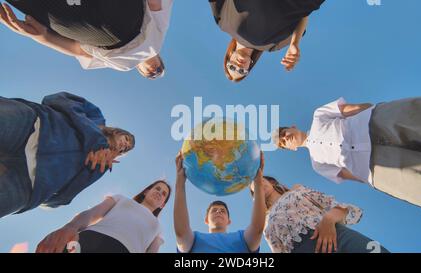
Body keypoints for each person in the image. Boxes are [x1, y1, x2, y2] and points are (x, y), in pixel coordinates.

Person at [273, 95, 421, 216]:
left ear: (293, 127)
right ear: (290, 149)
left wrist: (376, 113)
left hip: (376, 123)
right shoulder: (317, 164)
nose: (286, 138)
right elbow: (348, 174)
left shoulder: (318, 115)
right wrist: (373, 177)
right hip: (376, 166)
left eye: (284, 132)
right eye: (283, 143)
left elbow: (354, 109)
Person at [0, 92, 135, 218]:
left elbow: (64, 197)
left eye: (126, 150)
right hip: (32, 126)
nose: (124, 146)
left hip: (28, 184)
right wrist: (96, 139)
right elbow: (56, 99)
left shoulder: (100, 166)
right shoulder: (96, 117)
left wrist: (40, 194)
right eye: (127, 140)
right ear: (118, 131)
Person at [0, 0, 173, 79]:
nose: (154, 71)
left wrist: (42, 37)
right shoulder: (156, 40)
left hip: (92, 33)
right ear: (159, 58)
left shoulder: (120, 65)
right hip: (128, 18)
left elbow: (78, 50)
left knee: (46, 13)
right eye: (159, 69)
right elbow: (155, 4)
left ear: (140, 71)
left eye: (151, 74)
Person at [250, 176, 389, 253]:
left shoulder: (296, 189)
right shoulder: (264, 223)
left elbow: (332, 204)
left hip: (334, 234)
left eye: (261, 180)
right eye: (255, 187)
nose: (260, 185)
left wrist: (329, 219)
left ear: (271, 182)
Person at [36, 180, 171, 253]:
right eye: (157, 188)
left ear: (163, 204)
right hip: (89, 239)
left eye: (164, 193)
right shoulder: (121, 198)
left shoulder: (158, 227)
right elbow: (93, 213)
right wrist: (70, 227)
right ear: (147, 190)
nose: (159, 193)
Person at [208, 0, 325, 82]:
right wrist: (294, 43)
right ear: (250, 66)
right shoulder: (273, 47)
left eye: (232, 67)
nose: (239, 66)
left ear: (229, 56)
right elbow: (302, 17)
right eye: (242, 71)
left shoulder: (223, 22)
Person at [174, 152, 266, 253]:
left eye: (223, 211)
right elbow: (181, 233)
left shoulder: (242, 238)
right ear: (206, 220)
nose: (218, 212)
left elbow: (257, 229)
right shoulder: (194, 239)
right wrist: (180, 183)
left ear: (229, 221)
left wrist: (258, 183)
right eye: (214, 210)